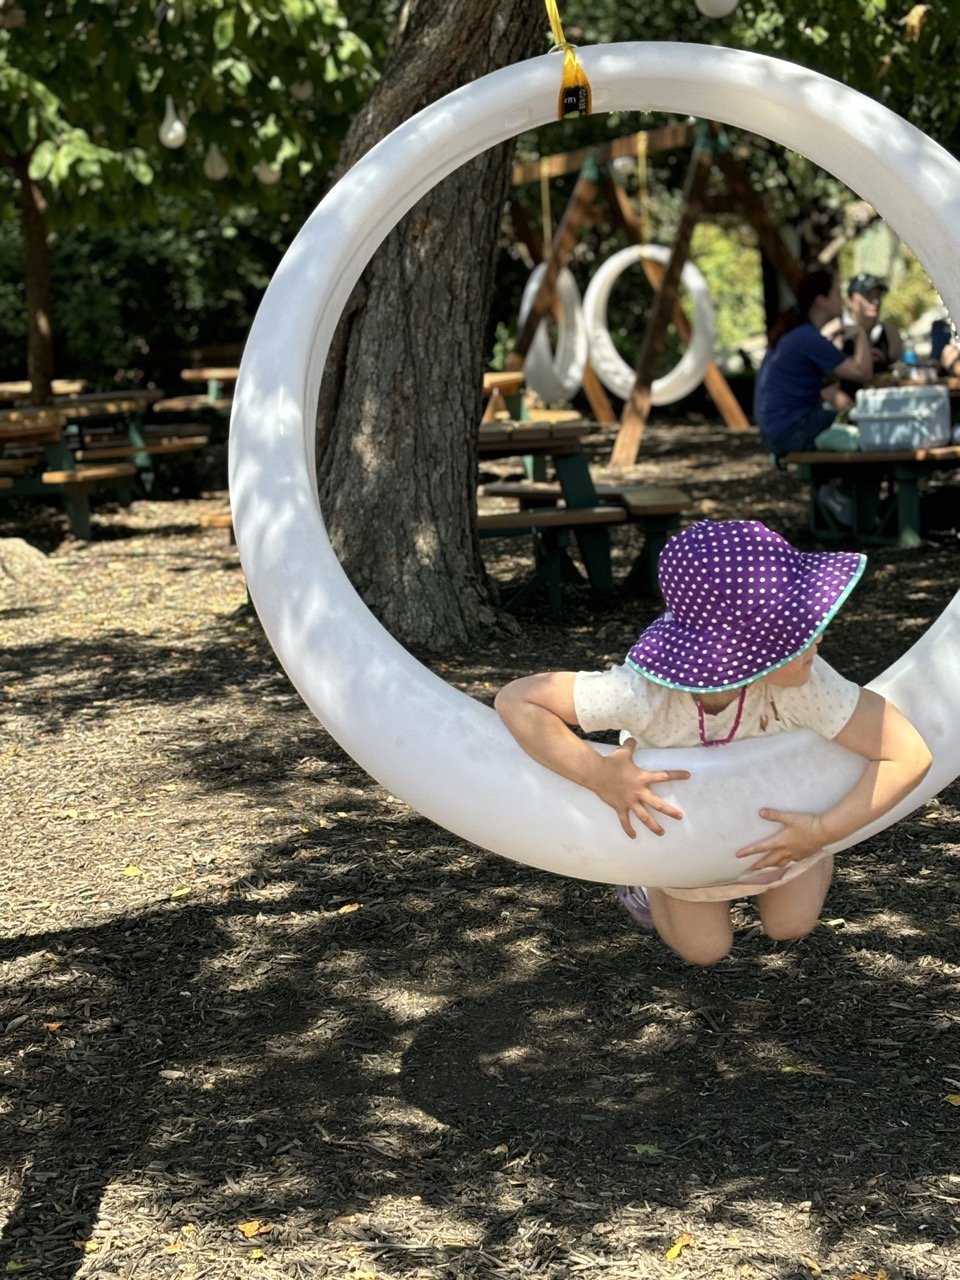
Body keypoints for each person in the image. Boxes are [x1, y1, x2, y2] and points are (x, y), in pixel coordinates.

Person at [494, 520, 932, 967]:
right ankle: (646, 883)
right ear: (735, 652)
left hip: (776, 829)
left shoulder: (805, 682)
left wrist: (823, 832)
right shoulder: (645, 694)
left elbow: (907, 753)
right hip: (688, 835)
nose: (815, 640)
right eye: (791, 635)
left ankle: (814, 859)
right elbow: (519, 700)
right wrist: (599, 774)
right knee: (704, 950)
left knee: (791, 925)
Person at [754, 268, 873, 459]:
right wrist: (860, 334)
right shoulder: (808, 338)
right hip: (790, 431)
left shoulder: (798, 333)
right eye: (836, 293)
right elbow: (863, 374)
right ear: (820, 301)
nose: (841, 299)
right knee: (865, 426)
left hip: (775, 431)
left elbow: (825, 377)